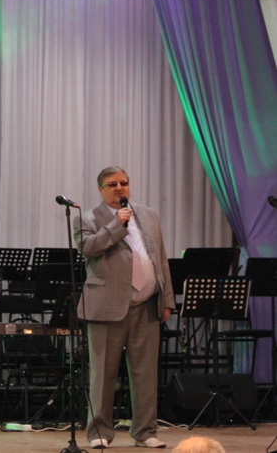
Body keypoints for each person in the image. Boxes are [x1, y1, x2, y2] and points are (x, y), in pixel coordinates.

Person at [75, 166, 175, 449]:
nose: (119, 188)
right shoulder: (88, 218)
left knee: (146, 374)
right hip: (106, 307)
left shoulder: (148, 215)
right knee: (103, 375)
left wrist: (167, 299)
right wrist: (116, 225)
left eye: (123, 182)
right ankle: (99, 432)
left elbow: (160, 258)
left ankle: (145, 431)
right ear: (101, 189)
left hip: (146, 305)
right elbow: (88, 248)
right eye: (112, 184)